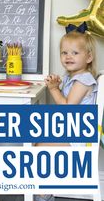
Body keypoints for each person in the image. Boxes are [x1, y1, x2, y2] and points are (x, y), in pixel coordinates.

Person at [35, 24, 98, 201]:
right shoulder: (74, 77)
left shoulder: (83, 80)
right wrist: (59, 85)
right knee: (38, 139)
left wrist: (54, 89)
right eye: (64, 53)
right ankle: (42, 190)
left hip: (79, 139)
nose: (68, 56)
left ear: (89, 57)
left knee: (39, 148)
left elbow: (66, 107)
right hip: (73, 131)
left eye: (75, 53)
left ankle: (42, 195)